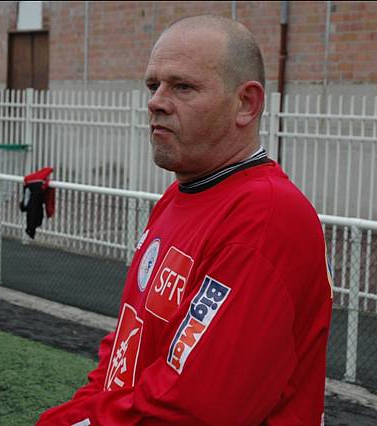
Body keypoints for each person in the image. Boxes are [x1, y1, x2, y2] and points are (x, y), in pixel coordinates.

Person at [37, 15, 332, 426]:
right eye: (152, 85)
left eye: (182, 87)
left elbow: (195, 409)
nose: (156, 101)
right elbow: (129, 342)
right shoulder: (180, 194)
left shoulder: (267, 216)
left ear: (246, 104)